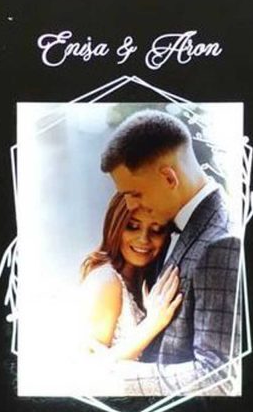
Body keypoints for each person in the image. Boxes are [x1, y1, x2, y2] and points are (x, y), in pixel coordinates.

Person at [101, 109, 242, 396]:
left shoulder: (221, 242)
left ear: (168, 177)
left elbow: (218, 376)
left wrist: (114, 375)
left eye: (134, 194)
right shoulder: (170, 225)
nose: (129, 206)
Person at [79, 193, 182, 363]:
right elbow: (89, 368)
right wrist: (153, 324)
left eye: (156, 230)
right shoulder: (106, 281)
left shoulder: (145, 282)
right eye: (132, 226)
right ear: (115, 227)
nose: (144, 239)